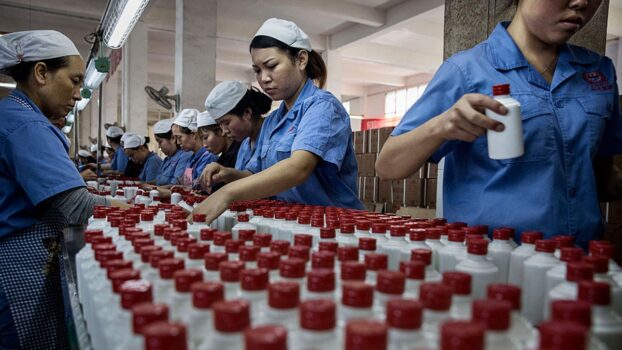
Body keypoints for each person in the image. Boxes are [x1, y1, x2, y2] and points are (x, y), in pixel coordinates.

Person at [376, 0, 621, 248]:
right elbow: (388, 166)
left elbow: (602, 177)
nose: (581, 2)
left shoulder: (599, 72)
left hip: (581, 260)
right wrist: (441, 126)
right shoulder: (467, 70)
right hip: (494, 257)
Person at [0, 30, 127, 349]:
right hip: (16, 263)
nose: (78, 94)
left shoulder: (15, 116)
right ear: (41, 73)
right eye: (73, 80)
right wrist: (133, 210)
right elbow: (77, 206)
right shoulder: (26, 125)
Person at [194, 18, 363, 222]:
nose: (264, 78)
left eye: (271, 66)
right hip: (295, 222)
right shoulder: (274, 120)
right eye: (257, 70)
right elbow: (256, 174)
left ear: (301, 60)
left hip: (334, 223)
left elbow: (298, 168)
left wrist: (227, 193)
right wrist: (228, 173)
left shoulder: (322, 107)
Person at [202, 80, 272, 171]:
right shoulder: (245, 145)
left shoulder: (273, 134)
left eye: (226, 123)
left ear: (247, 113)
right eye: (220, 124)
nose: (224, 131)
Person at [171, 108, 218, 189]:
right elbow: (185, 184)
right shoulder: (192, 158)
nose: (178, 143)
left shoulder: (208, 157)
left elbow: (200, 188)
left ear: (193, 134)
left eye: (179, 137)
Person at [197, 111, 241, 192]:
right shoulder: (223, 157)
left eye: (206, 137)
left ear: (221, 131)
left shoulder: (239, 152)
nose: (204, 145)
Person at [153, 118, 192, 186]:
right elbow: (158, 181)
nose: (159, 147)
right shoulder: (167, 160)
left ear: (173, 138)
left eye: (160, 142)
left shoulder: (185, 156)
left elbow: (176, 186)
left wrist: (153, 189)